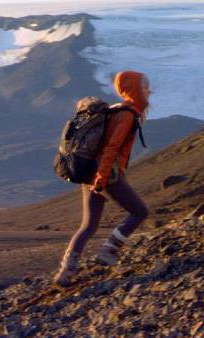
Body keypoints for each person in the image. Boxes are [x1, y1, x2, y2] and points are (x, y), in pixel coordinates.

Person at [54, 71, 151, 286]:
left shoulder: (117, 110)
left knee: (88, 225)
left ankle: (65, 272)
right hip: (105, 174)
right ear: (133, 88)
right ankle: (109, 251)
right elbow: (111, 149)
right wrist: (102, 178)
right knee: (140, 212)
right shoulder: (126, 114)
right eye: (144, 86)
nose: (148, 90)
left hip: (91, 173)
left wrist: (96, 177)